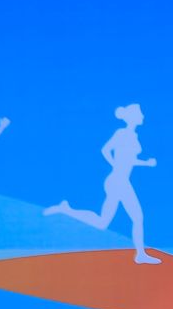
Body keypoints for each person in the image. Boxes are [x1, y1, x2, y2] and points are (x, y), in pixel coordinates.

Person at [45, 104, 161, 265]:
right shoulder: (122, 133)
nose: (142, 116)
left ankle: (66, 209)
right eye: (140, 114)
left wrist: (145, 163)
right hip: (117, 181)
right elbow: (105, 150)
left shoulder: (133, 135)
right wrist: (115, 165)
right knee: (132, 218)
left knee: (107, 221)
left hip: (121, 181)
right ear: (132, 117)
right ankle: (140, 255)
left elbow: (128, 160)